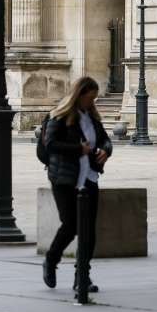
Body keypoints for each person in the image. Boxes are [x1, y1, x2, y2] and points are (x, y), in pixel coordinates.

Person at [40, 77, 113, 296]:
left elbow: (105, 140)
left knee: (89, 230)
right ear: (78, 95)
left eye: (94, 98)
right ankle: (51, 261)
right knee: (71, 224)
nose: (92, 102)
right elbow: (50, 144)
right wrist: (77, 149)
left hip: (89, 177)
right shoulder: (59, 116)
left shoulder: (91, 117)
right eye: (89, 97)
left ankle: (82, 276)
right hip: (65, 178)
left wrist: (105, 151)